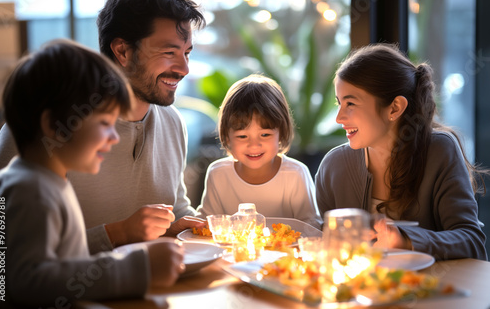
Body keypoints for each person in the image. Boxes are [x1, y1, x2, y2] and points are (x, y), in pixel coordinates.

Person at [0, 0, 207, 254]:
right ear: (123, 51)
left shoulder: (173, 121)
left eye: (187, 53)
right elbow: (1, 248)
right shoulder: (48, 126)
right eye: (169, 52)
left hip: (149, 291)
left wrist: (179, 225)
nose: (184, 68)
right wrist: (116, 234)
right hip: (67, 298)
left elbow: (174, 206)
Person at [0, 39, 186, 307]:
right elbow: (28, 283)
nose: (115, 137)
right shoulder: (29, 191)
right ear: (53, 125)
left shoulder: (44, 182)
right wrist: (135, 269)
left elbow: (64, 270)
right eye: (105, 123)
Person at [315, 43, 487, 260]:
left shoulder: (439, 150)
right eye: (338, 103)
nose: (339, 117)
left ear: (395, 108)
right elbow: (324, 245)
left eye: (350, 104)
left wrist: (406, 240)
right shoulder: (334, 165)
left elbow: (471, 242)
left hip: (431, 290)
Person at [196, 74, 323, 229]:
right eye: (242, 136)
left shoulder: (295, 174)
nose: (254, 145)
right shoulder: (218, 173)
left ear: (281, 133)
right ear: (227, 137)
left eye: (265, 135)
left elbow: (312, 225)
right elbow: (208, 223)